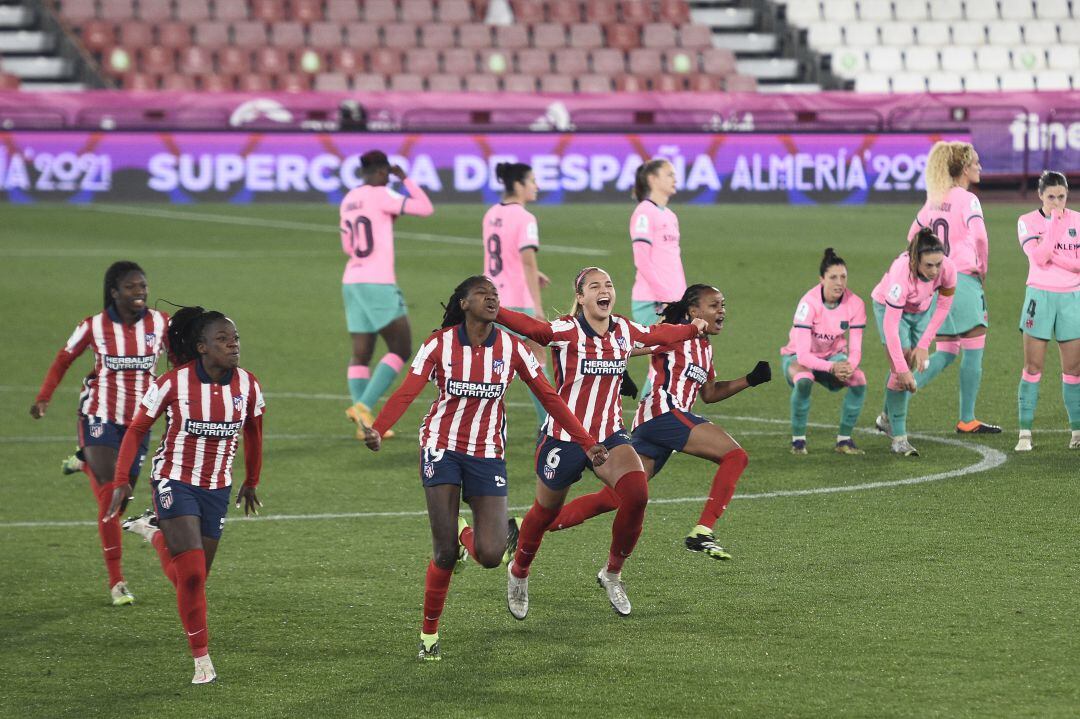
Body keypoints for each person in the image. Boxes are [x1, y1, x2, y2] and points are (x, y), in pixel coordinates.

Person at [358, 276, 607, 661]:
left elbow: (549, 396)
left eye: (495, 295)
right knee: (442, 554)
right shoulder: (438, 344)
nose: (492, 299)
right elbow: (407, 390)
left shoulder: (511, 347)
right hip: (441, 446)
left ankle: (464, 532)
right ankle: (429, 635)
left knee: (491, 555)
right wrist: (378, 427)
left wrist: (586, 442)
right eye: (482, 295)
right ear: (463, 303)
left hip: (487, 453)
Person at [496, 267, 707, 618]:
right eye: (594, 286)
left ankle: (612, 573)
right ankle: (519, 571)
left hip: (609, 435)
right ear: (581, 297)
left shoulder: (623, 329)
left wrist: (691, 328)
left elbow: (657, 335)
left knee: (637, 493)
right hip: (563, 438)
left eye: (608, 284)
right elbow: (535, 328)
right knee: (543, 512)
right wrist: (494, 312)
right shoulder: (566, 330)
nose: (604, 289)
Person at [545, 284, 772, 561]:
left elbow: (710, 393)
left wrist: (749, 380)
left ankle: (528, 526)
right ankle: (703, 531)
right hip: (663, 414)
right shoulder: (675, 332)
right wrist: (621, 370)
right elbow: (624, 343)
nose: (722, 311)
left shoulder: (704, 347)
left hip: (658, 425)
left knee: (615, 497)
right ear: (693, 311)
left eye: (723, 305)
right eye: (714, 305)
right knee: (735, 455)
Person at [105, 306, 265, 685]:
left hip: (217, 487)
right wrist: (122, 479)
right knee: (191, 574)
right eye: (223, 339)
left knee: (195, 577)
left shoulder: (249, 385)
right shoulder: (172, 383)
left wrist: (252, 480)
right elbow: (136, 429)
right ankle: (202, 661)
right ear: (202, 348)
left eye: (235, 338)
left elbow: (255, 433)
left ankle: (153, 532)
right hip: (173, 479)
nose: (233, 345)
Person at [30, 261, 169, 606]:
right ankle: (117, 581)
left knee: (122, 497)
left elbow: (181, 359)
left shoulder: (160, 323)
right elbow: (65, 358)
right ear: (114, 292)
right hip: (99, 415)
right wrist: (44, 397)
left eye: (143, 287)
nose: (140, 293)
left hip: (138, 422)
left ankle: (84, 463)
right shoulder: (94, 326)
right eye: (131, 287)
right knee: (111, 496)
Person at [341, 150, 435, 440]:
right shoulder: (382, 194)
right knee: (401, 348)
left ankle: (364, 426)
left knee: (362, 353)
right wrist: (405, 179)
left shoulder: (348, 199)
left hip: (352, 280)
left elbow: (347, 244)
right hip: (377, 281)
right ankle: (364, 406)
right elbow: (424, 207)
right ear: (383, 172)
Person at [907, 141, 999, 433]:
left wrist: (923, 271)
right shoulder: (966, 199)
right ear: (963, 168)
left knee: (946, 351)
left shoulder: (934, 199)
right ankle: (967, 419)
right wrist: (982, 266)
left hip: (937, 282)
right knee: (974, 348)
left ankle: (890, 407)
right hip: (962, 279)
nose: (979, 167)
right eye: (975, 163)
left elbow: (912, 237)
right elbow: (981, 237)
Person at [871, 228, 957, 456]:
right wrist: (901, 370)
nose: (935, 270)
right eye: (928, 265)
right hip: (889, 309)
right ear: (915, 260)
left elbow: (944, 306)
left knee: (909, 361)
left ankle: (886, 418)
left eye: (938, 264)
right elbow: (891, 327)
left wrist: (923, 345)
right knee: (900, 370)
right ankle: (899, 439)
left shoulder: (947, 269)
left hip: (921, 310)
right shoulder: (901, 274)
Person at [482, 161, 551, 426]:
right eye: (532, 181)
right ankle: (548, 424)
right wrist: (537, 307)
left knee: (496, 363)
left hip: (491, 299)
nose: (536, 186)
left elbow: (499, 256)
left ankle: (477, 422)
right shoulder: (525, 218)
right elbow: (526, 261)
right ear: (519, 185)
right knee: (535, 361)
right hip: (518, 302)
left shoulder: (491, 214)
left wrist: (535, 273)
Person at [1014, 171, 1080, 451]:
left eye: (1061, 196)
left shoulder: (1078, 220)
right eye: (1051, 196)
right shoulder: (1027, 222)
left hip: (1072, 298)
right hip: (1039, 296)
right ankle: (1025, 433)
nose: (1056, 202)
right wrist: (1053, 224)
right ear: (1040, 195)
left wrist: (1056, 256)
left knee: (1074, 370)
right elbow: (1039, 257)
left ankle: (1076, 432)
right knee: (1033, 367)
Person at [780, 248, 868, 455]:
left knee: (859, 379)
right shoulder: (808, 304)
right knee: (804, 380)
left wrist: (848, 366)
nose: (839, 282)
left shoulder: (855, 304)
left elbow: (855, 349)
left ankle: (844, 440)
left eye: (843, 277)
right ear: (822, 279)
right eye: (833, 277)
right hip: (797, 358)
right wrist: (832, 367)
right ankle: (798, 442)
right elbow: (802, 355)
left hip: (833, 357)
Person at [629, 158, 687, 397]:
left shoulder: (670, 215)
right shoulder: (644, 213)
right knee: (664, 360)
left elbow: (672, 262)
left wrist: (683, 299)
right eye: (669, 174)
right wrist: (665, 299)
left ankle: (655, 418)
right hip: (653, 302)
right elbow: (642, 260)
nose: (675, 178)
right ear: (653, 179)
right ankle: (647, 420)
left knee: (671, 361)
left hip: (673, 301)